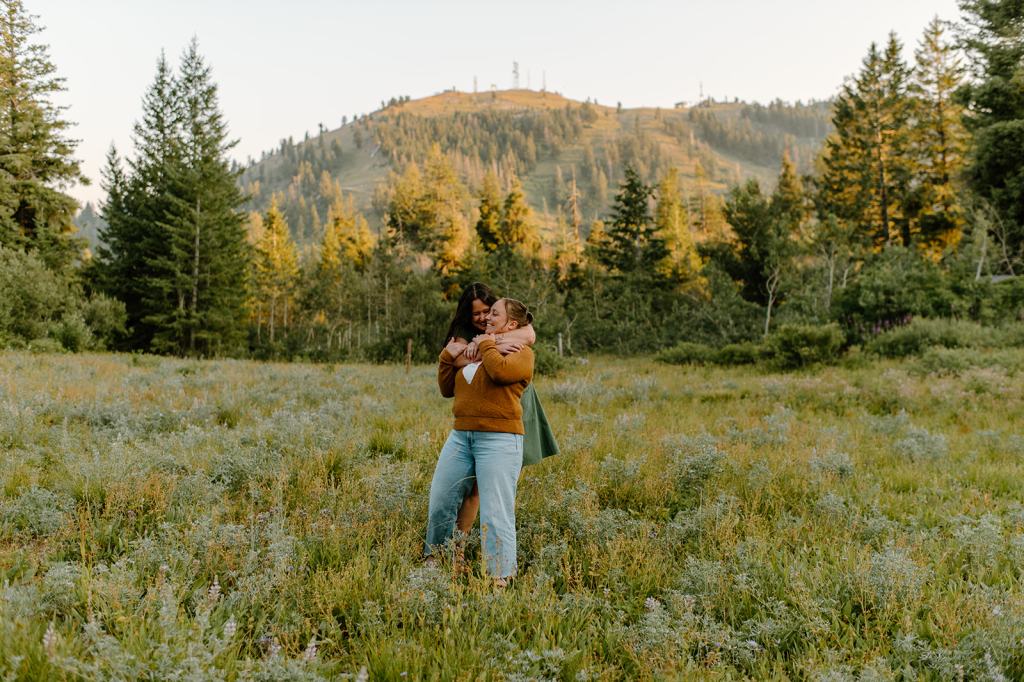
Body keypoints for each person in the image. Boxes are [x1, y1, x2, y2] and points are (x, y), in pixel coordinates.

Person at [424, 298, 535, 584]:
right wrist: (447, 357)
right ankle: (436, 559)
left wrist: (487, 343)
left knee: (496, 510)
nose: (486, 317)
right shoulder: (482, 349)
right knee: (441, 498)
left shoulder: (521, 353)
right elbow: (446, 388)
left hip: (499, 439)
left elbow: (500, 372)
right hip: (461, 435)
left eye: (494, 314)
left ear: (511, 324)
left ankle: (500, 576)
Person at [442, 283, 559, 533]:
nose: (483, 317)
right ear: (467, 315)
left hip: (516, 401)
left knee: (504, 477)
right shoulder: (462, 331)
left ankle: (495, 534)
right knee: (475, 486)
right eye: (476, 314)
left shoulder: (500, 325)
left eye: (488, 311)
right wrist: (489, 349)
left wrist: (489, 341)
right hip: (484, 407)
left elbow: (529, 335)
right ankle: (460, 543)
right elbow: (455, 359)